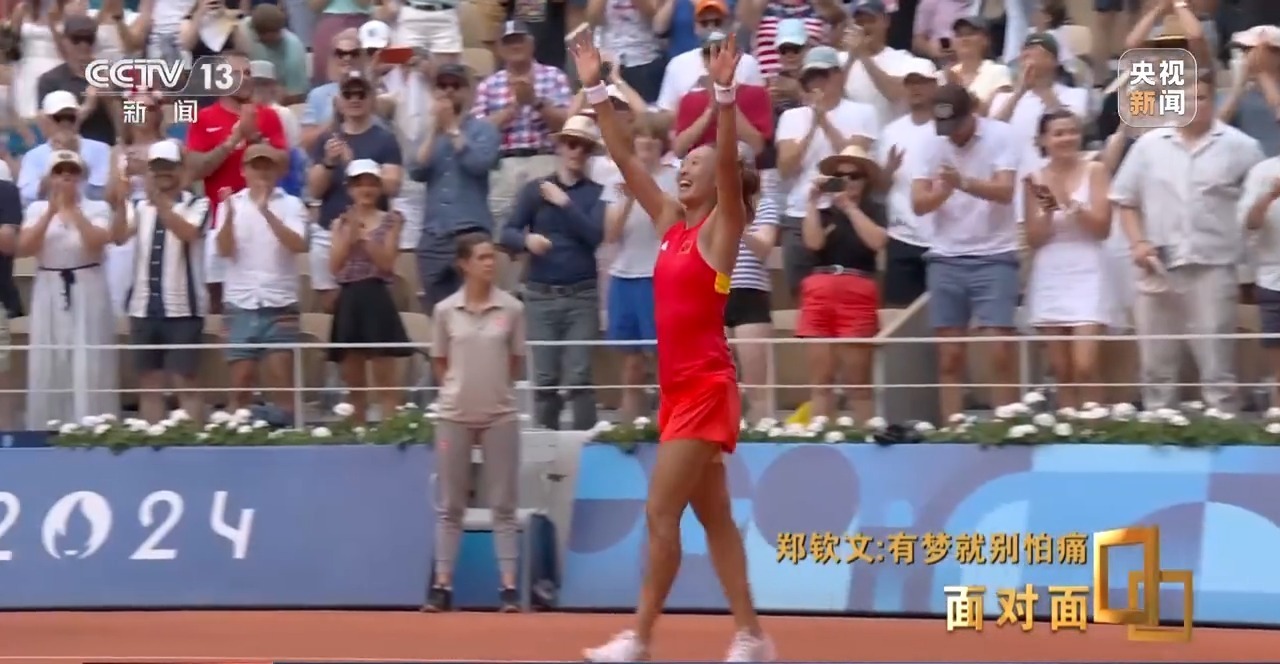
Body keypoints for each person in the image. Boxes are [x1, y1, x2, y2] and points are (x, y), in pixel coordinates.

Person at [570, 29, 775, 663]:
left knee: (661, 513)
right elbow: (624, 158)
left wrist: (723, 97)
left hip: (707, 390)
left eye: (696, 166)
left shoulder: (722, 230)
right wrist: (595, 88)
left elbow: (729, 167)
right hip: (676, 392)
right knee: (715, 520)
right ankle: (752, 637)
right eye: (682, 164)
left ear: (718, 182)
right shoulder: (667, 223)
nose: (684, 168)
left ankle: (639, 638)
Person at [1112, 71, 1263, 412]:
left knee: (1216, 365)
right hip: (1156, 266)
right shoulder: (1149, 146)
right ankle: (1158, 428)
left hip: (1213, 267)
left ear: (1213, 101)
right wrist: (1137, 243)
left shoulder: (1242, 147)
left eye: (1201, 97)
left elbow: (1258, 206)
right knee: (1156, 365)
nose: (1193, 105)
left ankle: (1221, 430)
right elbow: (1125, 200)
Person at [426, 232, 527, 614]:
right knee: (451, 505)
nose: (490, 263)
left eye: (492, 257)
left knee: (504, 503)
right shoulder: (444, 311)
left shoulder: (512, 309)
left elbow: (514, 361)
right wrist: (458, 390)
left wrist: (494, 388)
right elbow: (440, 361)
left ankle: (508, 588)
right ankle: (442, 586)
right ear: (464, 264)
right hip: (454, 416)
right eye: (482, 257)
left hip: (500, 415)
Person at [909, 83, 1019, 421]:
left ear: (971, 113)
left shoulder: (1001, 135)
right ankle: (951, 429)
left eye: (956, 125)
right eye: (945, 127)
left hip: (996, 253)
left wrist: (964, 183)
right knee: (949, 356)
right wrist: (944, 191)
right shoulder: (929, 141)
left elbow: (1005, 191)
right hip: (946, 256)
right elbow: (918, 203)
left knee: (1000, 351)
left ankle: (1008, 426)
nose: (951, 134)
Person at [498, 114, 605, 431]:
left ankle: (586, 446)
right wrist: (526, 241)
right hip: (541, 293)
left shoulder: (596, 193)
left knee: (579, 376)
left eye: (585, 147)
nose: (577, 151)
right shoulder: (535, 190)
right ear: (560, 146)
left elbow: (595, 236)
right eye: (572, 144)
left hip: (581, 293)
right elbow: (507, 232)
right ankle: (545, 443)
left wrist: (565, 203)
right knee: (544, 378)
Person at [110, 140, 211, 423]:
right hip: (143, 307)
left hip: (184, 309)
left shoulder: (198, 204)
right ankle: (152, 440)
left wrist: (158, 201)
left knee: (185, 381)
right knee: (149, 384)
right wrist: (120, 203)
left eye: (169, 166)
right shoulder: (139, 205)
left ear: (181, 169)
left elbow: (188, 233)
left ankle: (192, 441)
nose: (163, 172)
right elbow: (118, 237)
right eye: (157, 167)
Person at [18, 149, 118, 429]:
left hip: (88, 287)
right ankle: (47, 425)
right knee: (50, 358)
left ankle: (93, 425)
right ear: (50, 178)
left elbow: (96, 242)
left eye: (72, 172)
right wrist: (51, 211)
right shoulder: (37, 210)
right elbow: (24, 247)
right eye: (59, 172)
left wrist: (74, 210)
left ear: (81, 177)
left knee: (89, 357)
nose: (66, 177)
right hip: (49, 288)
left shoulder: (97, 208)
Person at [1023, 109, 1114, 409]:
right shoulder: (1036, 179)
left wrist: (1070, 203)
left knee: (1085, 365)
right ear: (1043, 140)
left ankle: (1095, 425)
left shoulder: (1095, 170)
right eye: (1059, 133)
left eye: (1072, 131)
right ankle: (1067, 426)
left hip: (1088, 269)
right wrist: (1050, 209)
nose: (1067, 138)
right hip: (1051, 271)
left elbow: (1102, 229)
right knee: (1061, 369)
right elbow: (1035, 238)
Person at [215, 143, 309, 418]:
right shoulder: (230, 205)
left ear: (278, 171)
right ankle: (238, 433)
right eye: (256, 166)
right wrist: (229, 217)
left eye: (268, 166)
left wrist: (267, 211)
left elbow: (298, 245)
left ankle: (288, 435)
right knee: (240, 385)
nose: (262, 172)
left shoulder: (292, 205)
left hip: (279, 303)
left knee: (283, 384)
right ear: (244, 170)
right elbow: (224, 250)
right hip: (240, 303)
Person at [799, 145, 886, 422]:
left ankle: (864, 435)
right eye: (840, 176)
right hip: (820, 286)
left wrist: (850, 208)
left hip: (857, 287)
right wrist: (811, 203)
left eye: (854, 176)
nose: (847, 181)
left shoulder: (874, 210)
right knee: (820, 380)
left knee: (858, 381)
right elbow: (813, 243)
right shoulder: (824, 213)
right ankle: (821, 434)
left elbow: (878, 241)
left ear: (865, 180)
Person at [327, 159, 412, 422]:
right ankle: (357, 431)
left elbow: (387, 264)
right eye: (359, 184)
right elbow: (335, 266)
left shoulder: (392, 220)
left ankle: (391, 431)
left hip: (376, 296)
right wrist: (349, 235)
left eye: (372, 183)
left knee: (386, 379)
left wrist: (363, 238)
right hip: (349, 298)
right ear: (350, 189)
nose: (366, 189)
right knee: (354, 382)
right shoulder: (340, 222)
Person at [603, 116, 675, 421]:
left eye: (653, 136)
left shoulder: (676, 179)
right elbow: (611, 235)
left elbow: (673, 227)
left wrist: (648, 191)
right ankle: (630, 427)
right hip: (624, 276)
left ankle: (670, 423)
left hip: (660, 277)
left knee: (663, 358)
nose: (646, 142)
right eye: (641, 136)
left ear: (662, 144)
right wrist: (632, 195)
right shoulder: (616, 181)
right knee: (631, 363)